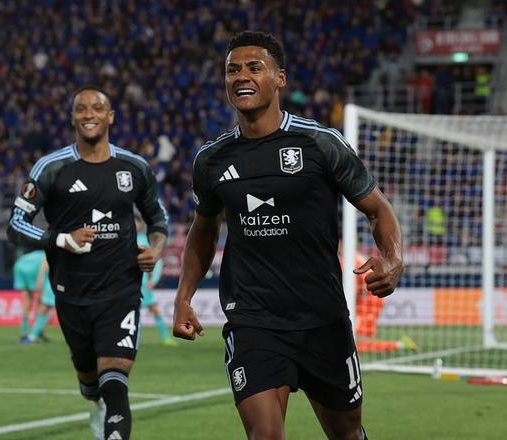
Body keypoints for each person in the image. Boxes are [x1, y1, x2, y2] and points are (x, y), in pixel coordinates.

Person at [173, 31, 403, 440]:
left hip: (322, 318)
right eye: (232, 70)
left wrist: (393, 258)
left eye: (254, 67)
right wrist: (183, 296)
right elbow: (203, 230)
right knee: (265, 434)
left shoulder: (320, 144)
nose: (241, 77)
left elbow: (377, 208)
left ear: (279, 78)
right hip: (253, 320)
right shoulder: (211, 159)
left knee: (347, 434)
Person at [7, 85, 168, 440]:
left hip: (122, 290)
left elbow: (158, 219)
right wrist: (61, 239)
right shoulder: (51, 167)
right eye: (81, 109)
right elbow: (15, 226)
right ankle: (93, 401)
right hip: (71, 293)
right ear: (72, 118)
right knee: (89, 380)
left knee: (116, 379)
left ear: (111, 116)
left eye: (97, 108)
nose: (89, 114)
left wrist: (155, 249)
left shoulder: (134, 167)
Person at [134, 215, 177, 347]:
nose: (135, 224)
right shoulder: (123, 238)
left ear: (140, 224)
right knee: (129, 314)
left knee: (155, 310)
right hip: (128, 283)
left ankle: (166, 338)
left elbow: (157, 260)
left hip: (142, 284)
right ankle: (132, 340)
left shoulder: (144, 240)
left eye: (137, 222)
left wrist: (154, 280)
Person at [13, 249, 53, 343]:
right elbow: (45, 262)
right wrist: (40, 278)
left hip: (19, 265)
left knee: (27, 301)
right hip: (35, 269)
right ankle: (34, 334)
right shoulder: (52, 252)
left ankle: (24, 332)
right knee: (45, 303)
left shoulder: (37, 253)